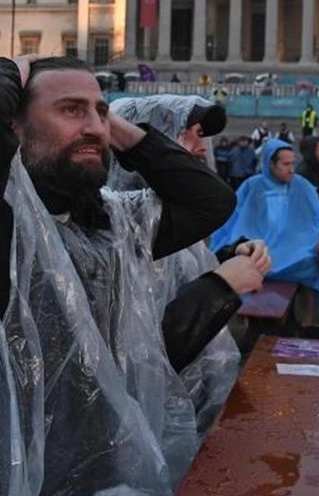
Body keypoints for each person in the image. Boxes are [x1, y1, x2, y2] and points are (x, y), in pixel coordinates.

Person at [0, 55, 237, 495]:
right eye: (70, 109)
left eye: (100, 110)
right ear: (12, 125)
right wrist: (21, 65)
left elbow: (211, 201)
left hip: (96, 472)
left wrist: (120, 131)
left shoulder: (106, 224)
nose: (94, 126)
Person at [108, 94, 269, 435]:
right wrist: (221, 286)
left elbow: (179, 280)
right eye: (189, 129)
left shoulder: (162, 219)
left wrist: (229, 259)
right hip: (144, 432)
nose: (202, 143)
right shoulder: (111, 232)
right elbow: (139, 362)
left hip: (193, 412)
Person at [211, 138, 319, 323]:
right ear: (271, 164)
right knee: (248, 260)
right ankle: (246, 316)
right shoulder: (252, 186)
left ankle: (306, 322)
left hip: (294, 248)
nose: (291, 169)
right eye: (285, 164)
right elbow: (234, 218)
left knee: (310, 262)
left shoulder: (302, 185)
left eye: (292, 163)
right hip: (259, 246)